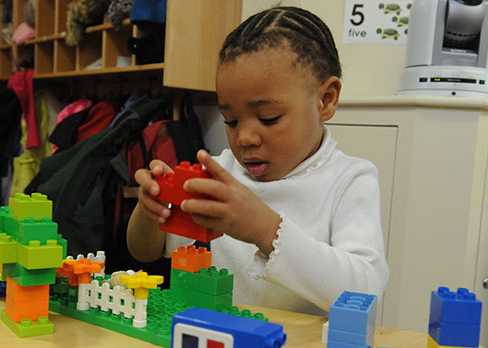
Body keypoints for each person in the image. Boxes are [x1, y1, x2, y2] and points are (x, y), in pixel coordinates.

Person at [127, 6, 389, 314]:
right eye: (231, 120)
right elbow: (145, 252)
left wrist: (265, 230)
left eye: (268, 118)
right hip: (220, 346)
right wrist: (149, 210)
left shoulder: (350, 179)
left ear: (326, 100)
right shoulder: (219, 173)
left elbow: (366, 290)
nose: (245, 138)